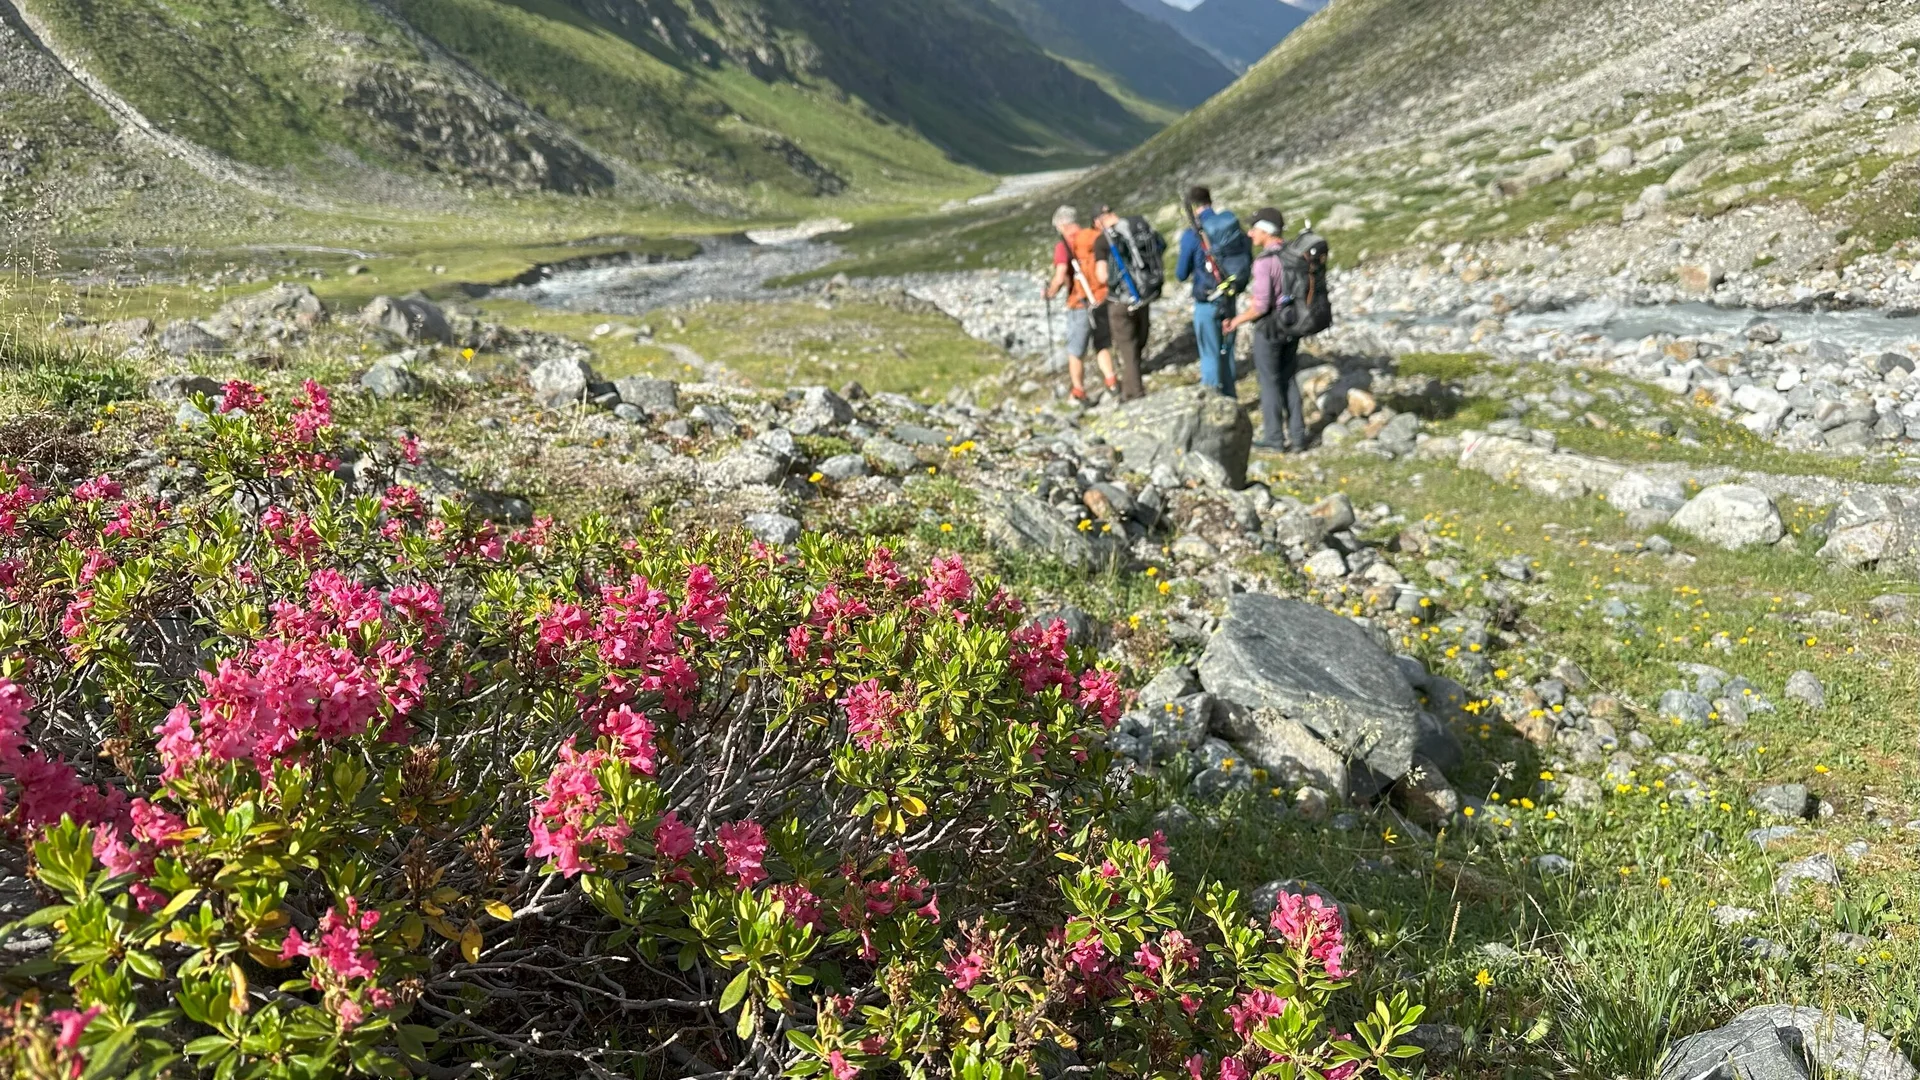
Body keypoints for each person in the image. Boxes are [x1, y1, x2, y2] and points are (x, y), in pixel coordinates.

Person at [1223, 208, 1305, 452]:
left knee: (1268, 382)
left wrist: (1236, 321)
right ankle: (1299, 437)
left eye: (1255, 229)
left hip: (1269, 328)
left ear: (1267, 232)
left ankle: (1274, 438)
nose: (1250, 234)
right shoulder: (1294, 254)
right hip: (1293, 324)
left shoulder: (1264, 262)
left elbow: (1260, 306)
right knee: (1289, 378)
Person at [1042, 205, 1114, 401]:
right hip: (1101, 298)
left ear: (1062, 224)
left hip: (1080, 302)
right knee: (1102, 344)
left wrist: (1050, 292)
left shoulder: (1064, 245)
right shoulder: (1092, 237)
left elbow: (1060, 275)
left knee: (1076, 350)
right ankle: (1111, 380)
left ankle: (1079, 390)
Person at [1175, 185, 1238, 397]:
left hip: (1207, 301)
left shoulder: (1192, 234)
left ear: (1192, 207)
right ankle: (1231, 399)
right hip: (1230, 298)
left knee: (1209, 354)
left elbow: (1181, 273)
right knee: (1227, 354)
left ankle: (1212, 404)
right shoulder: (1229, 225)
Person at [1091, 206, 1148, 402]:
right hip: (1143, 293)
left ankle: (1133, 393)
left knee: (1127, 346)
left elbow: (1102, 275)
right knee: (1139, 339)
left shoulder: (1102, 240)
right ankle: (1135, 380)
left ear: (1098, 221)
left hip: (1120, 301)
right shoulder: (1135, 226)